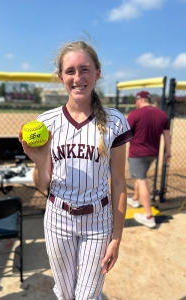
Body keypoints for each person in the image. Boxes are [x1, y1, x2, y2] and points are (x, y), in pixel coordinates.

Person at [19, 40, 132, 300]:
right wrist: (39, 161)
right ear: (61, 77)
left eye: (84, 69)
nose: (77, 77)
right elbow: (41, 185)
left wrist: (117, 238)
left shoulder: (115, 120)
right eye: (70, 71)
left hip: (98, 220)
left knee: (87, 295)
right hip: (58, 218)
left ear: (97, 73)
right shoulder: (46, 122)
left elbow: (118, 183)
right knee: (64, 293)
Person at [127, 91, 171, 228]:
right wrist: (168, 152)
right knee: (141, 175)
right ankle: (135, 199)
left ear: (139, 100)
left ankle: (148, 216)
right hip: (153, 153)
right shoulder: (161, 114)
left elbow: (125, 133)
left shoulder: (135, 114)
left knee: (141, 180)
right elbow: (167, 135)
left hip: (137, 153)